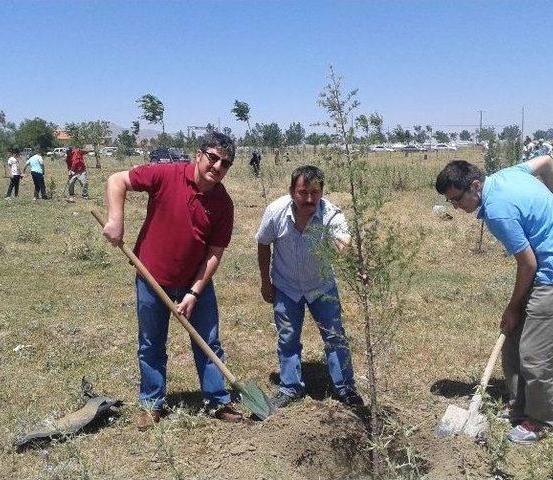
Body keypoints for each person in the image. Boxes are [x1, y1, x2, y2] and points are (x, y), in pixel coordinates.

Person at [435, 157, 553, 444]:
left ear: (475, 186)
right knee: (513, 334)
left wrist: (513, 306)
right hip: (549, 265)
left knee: (534, 353)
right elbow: (546, 162)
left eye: (456, 200)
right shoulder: (508, 174)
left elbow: (527, 263)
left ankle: (541, 420)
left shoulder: (497, 212)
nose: (455, 207)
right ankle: (520, 405)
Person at [101, 132, 242, 430]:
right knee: (151, 343)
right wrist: (116, 219)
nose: (217, 167)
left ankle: (217, 400)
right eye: (213, 158)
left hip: (195, 281)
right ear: (198, 154)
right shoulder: (166, 174)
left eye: (225, 164)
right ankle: (152, 403)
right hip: (151, 277)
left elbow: (214, 254)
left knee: (208, 342)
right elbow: (117, 180)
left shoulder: (223, 204)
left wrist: (193, 292)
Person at [255, 165, 363, 409]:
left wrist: (345, 254)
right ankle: (289, 387)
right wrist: (265, 282)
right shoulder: (276, 212)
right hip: (286, 286)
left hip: (321, 287)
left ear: (322, 192)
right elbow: (263, 245)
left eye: (315, 192)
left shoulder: (331, 214)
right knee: (288, 337)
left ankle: (345, 388)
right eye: (303, 192)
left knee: (335, 336)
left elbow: (343, 240)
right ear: (292, 191)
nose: (309, 199)